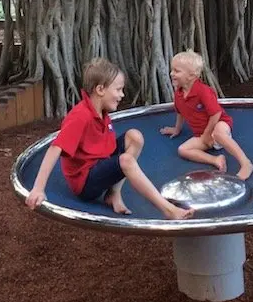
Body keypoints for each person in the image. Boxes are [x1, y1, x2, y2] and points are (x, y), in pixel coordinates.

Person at [25, 58, 195, 220]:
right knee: (126, 160)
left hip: (99, 162)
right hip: (86, 182)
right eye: (118, 89)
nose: (122, 95)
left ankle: (114, 193)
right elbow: (55, 148)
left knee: (134, 136)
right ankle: (168, 209)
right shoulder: (80, 116)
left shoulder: (101, 112)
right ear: (100, 90)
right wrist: (38, 189)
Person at [160, 50, 253, 180]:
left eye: (176, 71)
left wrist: (207, 135)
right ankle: (216, 160)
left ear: (191, 75)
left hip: (219, 125)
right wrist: (176, 129)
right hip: (202, 135)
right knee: (183, 150)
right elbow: (180, 112)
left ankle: (245, 163)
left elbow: (216, 113)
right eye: (172, 70)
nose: (172, 74)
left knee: (219, 133)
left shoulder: (203, 91)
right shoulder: (179, 94)